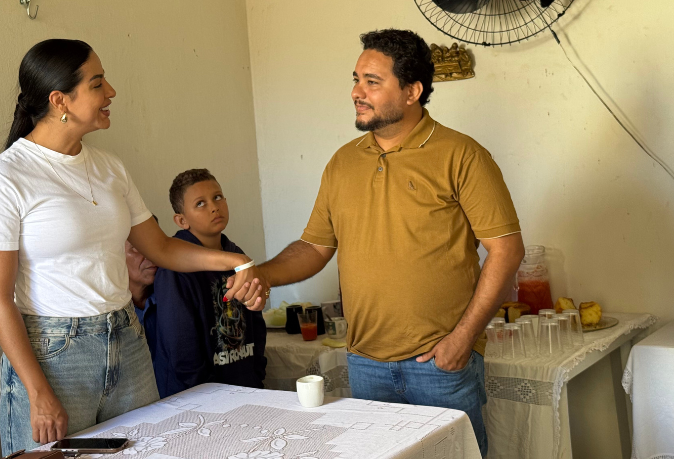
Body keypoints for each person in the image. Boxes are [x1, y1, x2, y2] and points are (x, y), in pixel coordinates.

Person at [229, 29, 524, 456]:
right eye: (355, 79)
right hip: (365, 362)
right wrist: (262, 273)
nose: (355, 92)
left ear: (412, 91)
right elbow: (314, 247)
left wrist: (464, 338)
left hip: (439, 362)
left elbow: (507, 249)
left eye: (372, 81)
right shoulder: (343, 162)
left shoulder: (462, 155)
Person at [0, 39, 261, 455]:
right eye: (97, 83)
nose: (111, 93)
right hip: (55, 356)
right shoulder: (5, 180)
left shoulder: (110, 167)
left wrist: (236, 261)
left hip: (127, 339)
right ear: (59, 100)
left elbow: (161, 248)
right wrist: (37, 391)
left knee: (145, 450)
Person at [152, 169, 267, 397]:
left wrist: (257, 373)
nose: (214, 207)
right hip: (198, 398)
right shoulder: (175, 267)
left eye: (217, 197)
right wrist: (206, 396)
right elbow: (181, 348)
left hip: (246, 388)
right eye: (200, 203)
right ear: (181, 220)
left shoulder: (238, 255)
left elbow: (256, 322)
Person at [125, 217, 158, 360]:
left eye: (155, 244)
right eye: (137, 247)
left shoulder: (174, 298)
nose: (150, 254)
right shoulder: (110, 311)